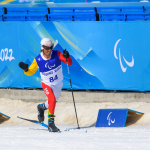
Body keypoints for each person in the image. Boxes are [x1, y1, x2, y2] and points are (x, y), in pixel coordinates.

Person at [19, 38, 72, 132]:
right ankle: (51, 123)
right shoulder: (38, 59)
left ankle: (41, 107)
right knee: (52, 99)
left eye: (50, 47)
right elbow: (30, 72)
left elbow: (69, 63)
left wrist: (67, 57)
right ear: (42, 48)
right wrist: (26, 69)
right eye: (46, 48)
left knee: (53, 102)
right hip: (47, 84)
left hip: (58, 83)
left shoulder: (57, 53)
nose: (49, 50)